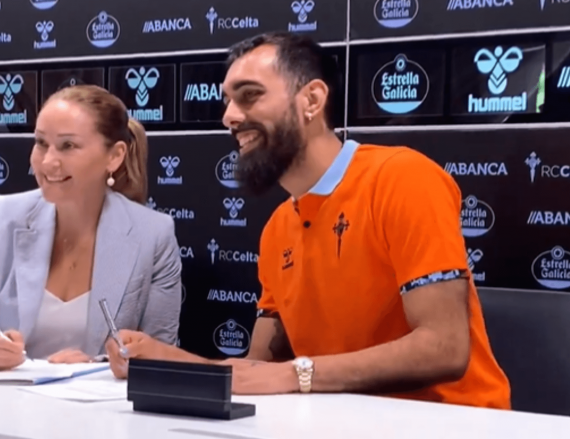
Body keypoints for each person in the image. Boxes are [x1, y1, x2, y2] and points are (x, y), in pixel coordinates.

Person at [103, 32, 511, 409]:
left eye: (249, 96)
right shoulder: (278, 226)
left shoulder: (402, 178)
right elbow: (259, 372)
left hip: (455, 422)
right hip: (342, 422)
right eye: (227, 100)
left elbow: (443, 347)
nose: (229, 115)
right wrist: (165, 359)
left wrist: (299, 374)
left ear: (311, 101)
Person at [0, 85, 182, 370]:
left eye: (68, 146)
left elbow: (160, 352)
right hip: (6, 405)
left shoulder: (154, 234)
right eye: (41, 143)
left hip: (101, 411)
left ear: (114, 156)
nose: (48, 161)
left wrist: (95, 365)